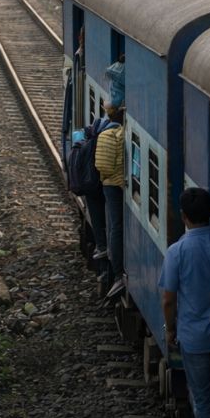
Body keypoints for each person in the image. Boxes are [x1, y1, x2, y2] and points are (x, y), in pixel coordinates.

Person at [159, 187, 210, 418]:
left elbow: (168, 299)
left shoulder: (176, 252)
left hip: (193, 337)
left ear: (183, 216)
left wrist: (170, 330)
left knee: (202, 399)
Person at [95, 103, 126, 296]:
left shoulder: (104, 133)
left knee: (114, 225)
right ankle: (117, 268)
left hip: (108, 184)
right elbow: (106, 166)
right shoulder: (116, 135)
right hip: (114, 185)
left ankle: (114, 263)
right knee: (116, 226)